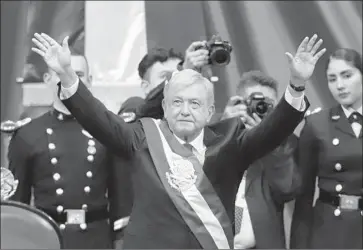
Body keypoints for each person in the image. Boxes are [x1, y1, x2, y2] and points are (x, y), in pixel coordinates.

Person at [31, 32, 325, 249]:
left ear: (210, 111)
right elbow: (97, 117)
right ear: (165, 107)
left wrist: (297, 84)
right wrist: (67, 74)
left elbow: (274, 128)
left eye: (195, 104)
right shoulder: (142, 137)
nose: (185, 110)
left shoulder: (230, 142)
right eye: (177, 102)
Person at [7, 49, 115, 248]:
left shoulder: (108, 130)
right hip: (46, 239)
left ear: (89, 80)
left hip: (97, 241)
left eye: (78, 74)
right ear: (48, 79)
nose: (68, 79)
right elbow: (17, 208)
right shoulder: (27, 135)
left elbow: (122, 201)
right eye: (60, 73)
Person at [111, 43, 210, 248]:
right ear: (146, 86)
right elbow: (144, 114)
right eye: (166, 77)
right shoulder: (135, 108)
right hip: (140, 233)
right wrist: (183, 73)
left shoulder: (192, 120)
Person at [290, 48, 363, 249]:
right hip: (330, 232)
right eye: (332, 79)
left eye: (347, 75)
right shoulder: (317, 124)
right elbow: (303, 196)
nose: (340, 85)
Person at [221, 70, 300, 249]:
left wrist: (267, 139)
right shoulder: (215, 135)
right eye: (254, 102)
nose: (260, 108)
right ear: (238, 102)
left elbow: (288, 189)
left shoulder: (286, 142)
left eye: (267, 104)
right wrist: (225, 128)